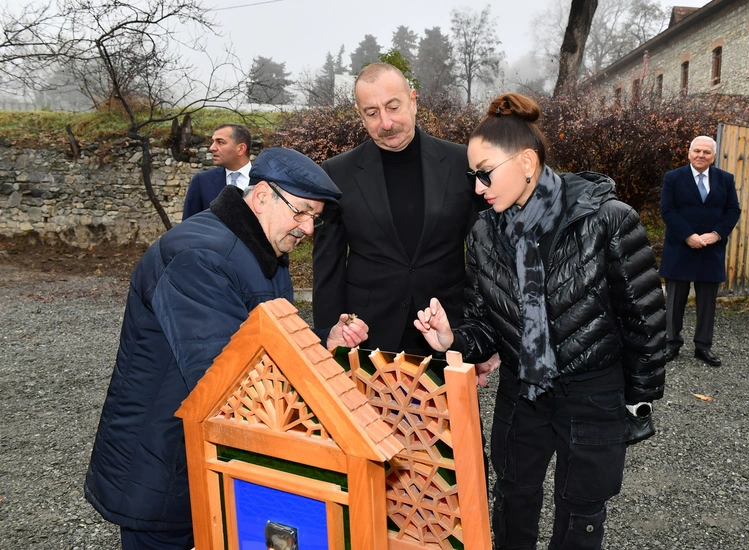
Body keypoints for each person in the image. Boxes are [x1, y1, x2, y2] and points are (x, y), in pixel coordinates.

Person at [414, 93, 667, 550]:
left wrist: (638, 402)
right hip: (521, 392)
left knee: (582, 511)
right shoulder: (484, 233)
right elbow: (485, 323)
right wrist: (451, 337)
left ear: (527, 162)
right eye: (473, 176)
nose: (477, 188)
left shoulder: (607, 220)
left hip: (592, 392)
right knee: (512, 497)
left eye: (485, 173)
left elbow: (644, 321)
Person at [84, 147, 369, 550]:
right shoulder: (198, 257)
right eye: (301, 212)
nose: (307, 229)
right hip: (163, 473)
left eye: (315, 219)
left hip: (203, 464)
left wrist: (324, 343)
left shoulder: (261, 249)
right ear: (263, 194)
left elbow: (267, 345)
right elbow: (226, 378)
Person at [312, 62, 485, 357]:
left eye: (393, 107)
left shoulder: (461, 163)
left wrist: (482, 339)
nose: (386, 123)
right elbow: (327, 268)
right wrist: (329, 337)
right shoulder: (336, 174)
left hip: (447, 331)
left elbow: (485, 258)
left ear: (413, 100)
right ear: (360, 115)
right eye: (372, 113)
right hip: (366, 338)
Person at [660, 135, 741, 367]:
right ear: (689, 153)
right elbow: (667, 210)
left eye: (706, 152)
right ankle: (671, 343)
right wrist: (688, 235)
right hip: (680, 248)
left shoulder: (725, 180)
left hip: (711, 250)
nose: (701, 155)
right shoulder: (673, 178)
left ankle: (703, 347)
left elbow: (733, 210)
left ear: (713, 156)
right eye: (697, 151)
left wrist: (716, 234)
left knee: (707, 302)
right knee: (675, 301)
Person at [182, 123, 253, 220]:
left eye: (220, 142)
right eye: (213, 142)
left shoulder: (266, 182)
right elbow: (188, 226)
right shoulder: (202, 181)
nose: (212, 148)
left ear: (241, 149)